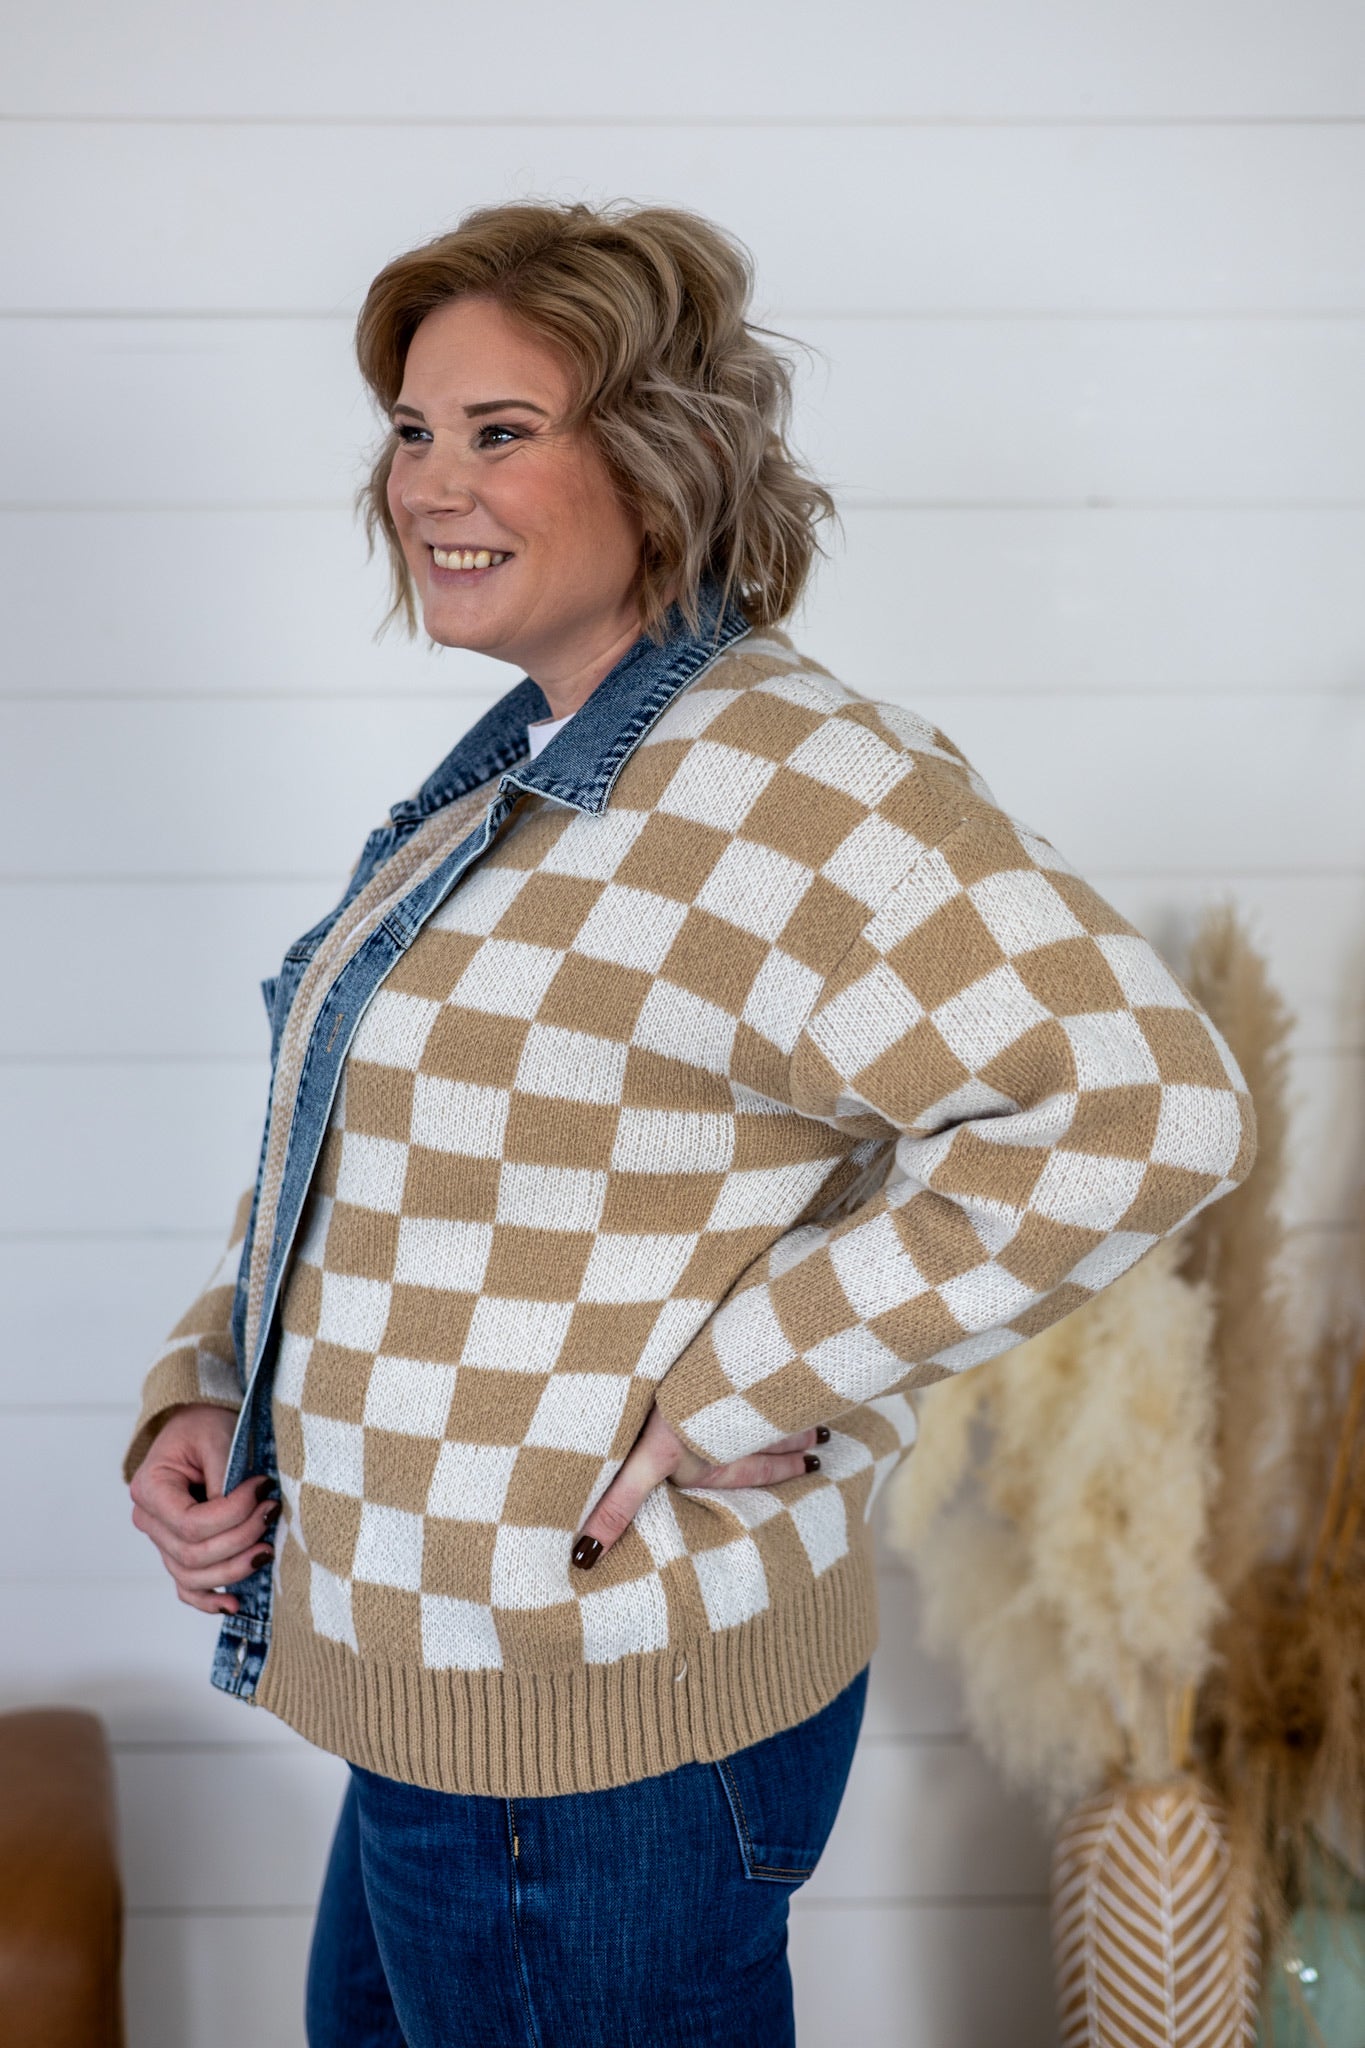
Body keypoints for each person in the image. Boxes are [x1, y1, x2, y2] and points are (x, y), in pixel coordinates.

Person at [124, 201, 1256, 2047]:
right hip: (441, 1696)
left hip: (591, 1740)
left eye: (500, 431)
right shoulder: (526, 763)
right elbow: (378, 1154)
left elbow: (1142, 1105)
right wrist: (205, 1383)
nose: (428, 484)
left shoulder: (800, 784)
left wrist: (756, 1378)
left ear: (664, 463)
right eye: (412, 430)